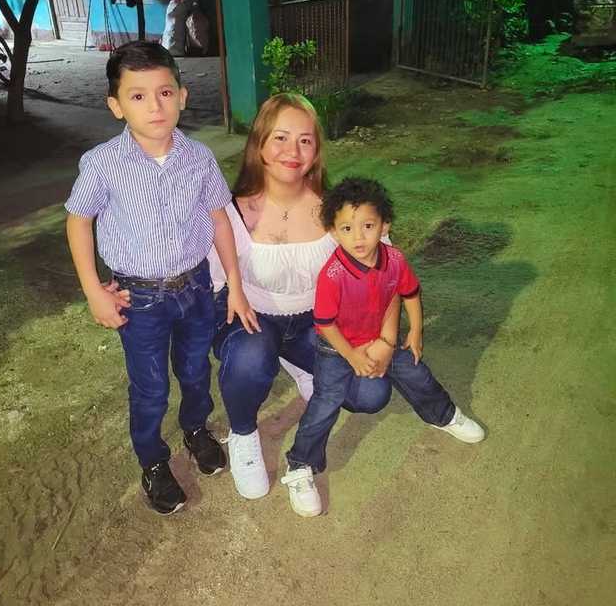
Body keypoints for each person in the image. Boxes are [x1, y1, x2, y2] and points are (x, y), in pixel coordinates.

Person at [65, 41, 258, 515]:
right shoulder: (103, 163)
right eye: (138, 96)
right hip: (139, 298)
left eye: (165, 92)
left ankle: (195, 429)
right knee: (150, 386)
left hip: (196, 288)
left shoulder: (199, 157)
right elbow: (78, 220)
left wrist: (234, 284)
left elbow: (219, 219)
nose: (155, 106)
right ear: (116, 106)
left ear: (182, 97)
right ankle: (153, 459)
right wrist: (93, 291)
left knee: (194, 370)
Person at [208, 94, 400, 500]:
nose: (292, 152)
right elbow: (211, 283)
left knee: (370, 393)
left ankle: (300, 363)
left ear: (316, 152)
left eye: (305, 141)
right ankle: (243, 433)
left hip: (318, 323)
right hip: (254, 318)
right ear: (259, 144)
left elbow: (383, 274)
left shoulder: (337, 210)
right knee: (250, 358)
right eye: (280, 138)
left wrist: (382, 337)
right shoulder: (230, 212)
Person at [281, 177, 486, 517]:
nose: (358, 238)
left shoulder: (395, 259)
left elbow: (410, 293)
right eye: (347, 228)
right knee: (326, 401)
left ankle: (444, 415)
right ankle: (301, 464)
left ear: (385, 225)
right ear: (333, 232)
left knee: (416, 372)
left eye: (368, 226)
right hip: (337, 349)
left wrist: (416, 331)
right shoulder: (332, 274)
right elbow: (325, 324)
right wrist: (351, 356)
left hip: (380, 339)